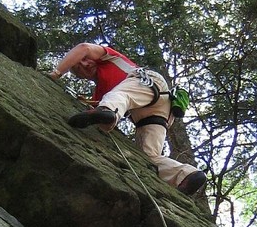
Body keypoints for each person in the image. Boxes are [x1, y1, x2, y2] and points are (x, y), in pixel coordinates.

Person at [48, 42, 207, 196]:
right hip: (153, 111)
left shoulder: (107, 59)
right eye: (78, 70)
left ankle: (109, 112)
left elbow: (83, 47)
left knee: (117, 98)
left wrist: (57, 73)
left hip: (146, 82)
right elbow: (95, 113)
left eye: (81, 62)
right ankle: (187, 174)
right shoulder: (99, 95)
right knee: (148, 157)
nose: (84, 65)